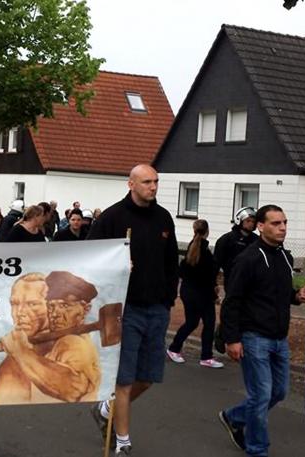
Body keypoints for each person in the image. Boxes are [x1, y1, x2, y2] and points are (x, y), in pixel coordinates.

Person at [87, 164, 178, 456]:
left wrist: (168, 298)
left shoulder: (163, 218)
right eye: (147, 182)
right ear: (131, 184)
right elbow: (91, 259)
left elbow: (171, 263)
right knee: (124, 379)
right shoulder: (112, 218)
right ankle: (123, 442)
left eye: (156, 182)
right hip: (125, 310)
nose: (153, 187)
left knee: (148, 377)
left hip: (157, 308)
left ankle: (106, 407)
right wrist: (115, 268)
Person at [218, 205, 305, 457]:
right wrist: (232, 339)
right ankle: (258, 450)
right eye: (275, 223)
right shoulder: (247, 259)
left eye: (284, 223)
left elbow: (276, 292)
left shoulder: (284, 257)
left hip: (279, 337)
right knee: (260, 396)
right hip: (253, 337)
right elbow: (232, 301)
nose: (282, 228)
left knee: (278, 392)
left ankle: (234, 416)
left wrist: (295, 296)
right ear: (260, 226)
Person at [0, 271, 101, 404]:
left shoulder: (72, 342)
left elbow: (74, 389)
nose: (19, 313)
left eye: (32, 304)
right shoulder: (14, 361)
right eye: (14, 304)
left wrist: (21, 352)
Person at [166, 219, 223, 368]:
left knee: (192, 322)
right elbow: (208, 277)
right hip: (202, 294)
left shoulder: (192, 248)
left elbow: (183, 271)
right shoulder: (205, 252)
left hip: (188, 291)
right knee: (209, 323)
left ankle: (174, 348)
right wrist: (215, 294)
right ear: (207, 231)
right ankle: (205, 356)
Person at [215, 207, 258, 290]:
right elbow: (216, 262)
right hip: (232, 280)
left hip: (252, 283)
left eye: (253, 221)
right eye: (248, 221)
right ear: (240, 221)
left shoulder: (256, 240)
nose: (251, 224)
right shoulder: (226, 239)